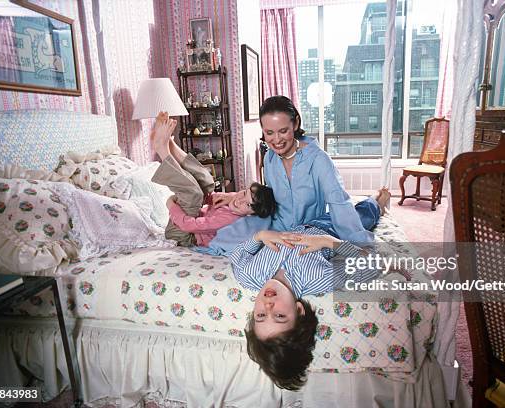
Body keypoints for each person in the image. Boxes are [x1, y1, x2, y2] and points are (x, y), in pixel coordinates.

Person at [230, 189, 390, 390]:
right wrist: (328, 242)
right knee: (363, 212)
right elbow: (372, 265)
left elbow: (237, 256)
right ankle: (379, 201)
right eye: (279, 315)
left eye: (261, 315)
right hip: (334, 229)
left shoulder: (248, 276)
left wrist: (260, 236)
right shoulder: (317, 279)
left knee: (325, 198)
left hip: (298, 223)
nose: (268, 305)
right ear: (298, 310)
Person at [210, 95, 375, 255]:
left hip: (312, 228)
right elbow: (269, 194)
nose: (276, 140)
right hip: (279, 227)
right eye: (269, 133)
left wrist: (358, 248)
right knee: (231, 238)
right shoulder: (269, 158)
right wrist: (232, 197)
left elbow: (339, 202)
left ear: (295, 123)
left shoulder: (318, 160)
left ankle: (376, 203)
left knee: (358, 217)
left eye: (283, 131)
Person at [150, 112, 277, 247]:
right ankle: (170, 143)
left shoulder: (228, 219)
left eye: (247, 204)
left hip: (182, 234)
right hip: (191, 218)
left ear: (250, 214)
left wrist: (171, 205)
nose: (240, 200)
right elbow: (213, 197)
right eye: (244, 193)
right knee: (208, 181)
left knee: (194, 194)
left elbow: (189, 225)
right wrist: (215, 197)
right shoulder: (236, 199)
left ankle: (162, 150)